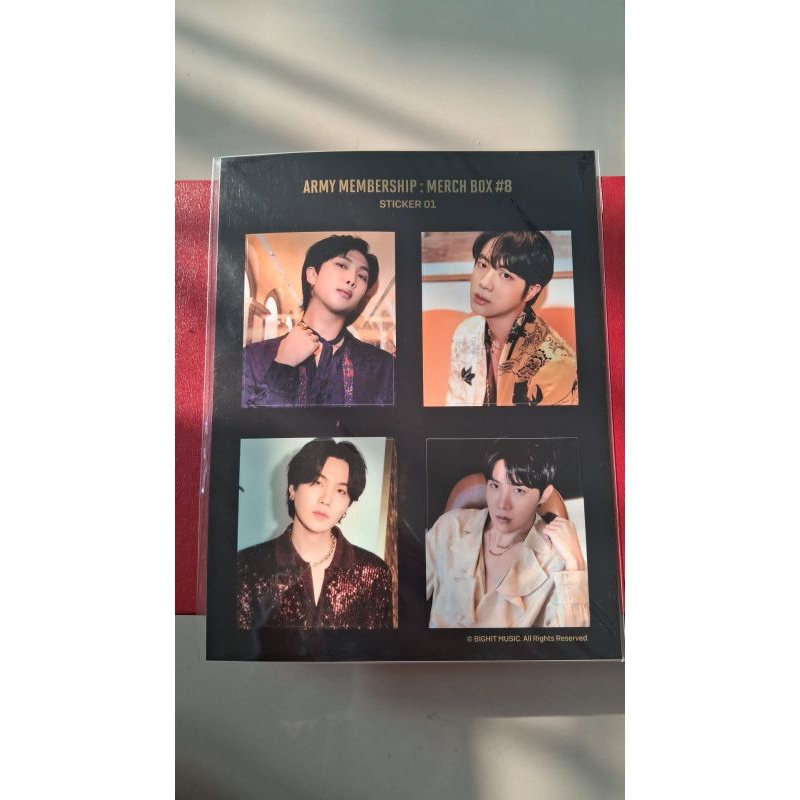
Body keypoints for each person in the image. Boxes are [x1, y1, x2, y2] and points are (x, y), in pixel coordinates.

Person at [426, 440, 589, 628]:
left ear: (544, 494)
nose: (502, 504)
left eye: (518, 490)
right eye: (495, 486)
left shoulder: (556, 560)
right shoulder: (449, 527)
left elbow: (571, 641)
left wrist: (575, 563)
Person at [237, 438, 394, 629]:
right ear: (292, 489)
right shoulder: (247, 565)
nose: (326, 499)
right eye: (317, 482)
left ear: (347, 505)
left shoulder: (374, 573)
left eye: (340, 490)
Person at [243, 235, 394, 407]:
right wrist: (282, 366)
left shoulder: (384, 368)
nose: (352, 280)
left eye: (362, 276)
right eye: (342, 265)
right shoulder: (253, 358)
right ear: (313, 275)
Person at [446, 230, 578, 406]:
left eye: (506, 275)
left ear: (530, 291)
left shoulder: (556, 364)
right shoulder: (466, 333)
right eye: (482, 265)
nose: (484, 282)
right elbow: (455, 405)